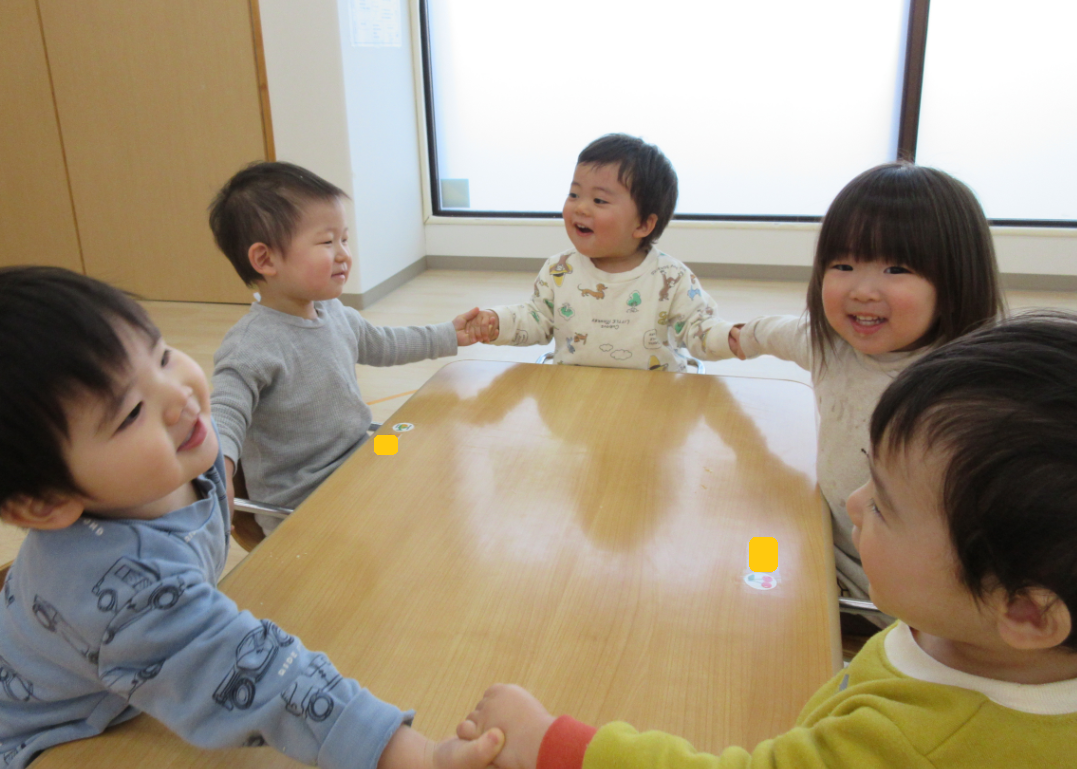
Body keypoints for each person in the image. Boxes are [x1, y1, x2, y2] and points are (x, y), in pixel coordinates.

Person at [0, 267, 502, 769]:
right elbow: (265, 680)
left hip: (128, 699)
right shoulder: (124, 585)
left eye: (163, 354)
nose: (178, 396)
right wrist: (414, 755)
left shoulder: (173, 469)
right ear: (44, 503)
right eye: (128, 415)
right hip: (54, 748)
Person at [458, 311, 1077, 769]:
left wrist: (554, 744)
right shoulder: (972, 629)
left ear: (1024, 610)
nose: (854, 503)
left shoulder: (914, 743)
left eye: (885, 506)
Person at [728, 162, 1004, 628]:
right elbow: (777, 332)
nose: (861, 290)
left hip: (908, 600)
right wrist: (737, 337)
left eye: (896, 268)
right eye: (843, 265)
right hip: (829, 550)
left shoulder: (966, 391)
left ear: (955, 281)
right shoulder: (830, 345)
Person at [208, 161, 490, 533]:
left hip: (359, 457)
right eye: (327, 242)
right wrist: (220, 472)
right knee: (411, 523)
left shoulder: (333, 312)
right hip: (305, 501)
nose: (343, 253)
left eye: (344, 238)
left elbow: (384, 344)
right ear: (265, 259)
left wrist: (447, 334)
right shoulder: (252, 346)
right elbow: (225, 412)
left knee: (441, 461)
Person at [463, 134, 735, 371]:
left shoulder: (672, 278)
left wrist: (731, 337)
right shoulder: (560, 269)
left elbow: (700, 330)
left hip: (655, 400)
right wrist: (497, 321)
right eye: (574, 195)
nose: (580, 208)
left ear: (642, 224)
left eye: (599, 200)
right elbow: (536, 318)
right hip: (574, 397)